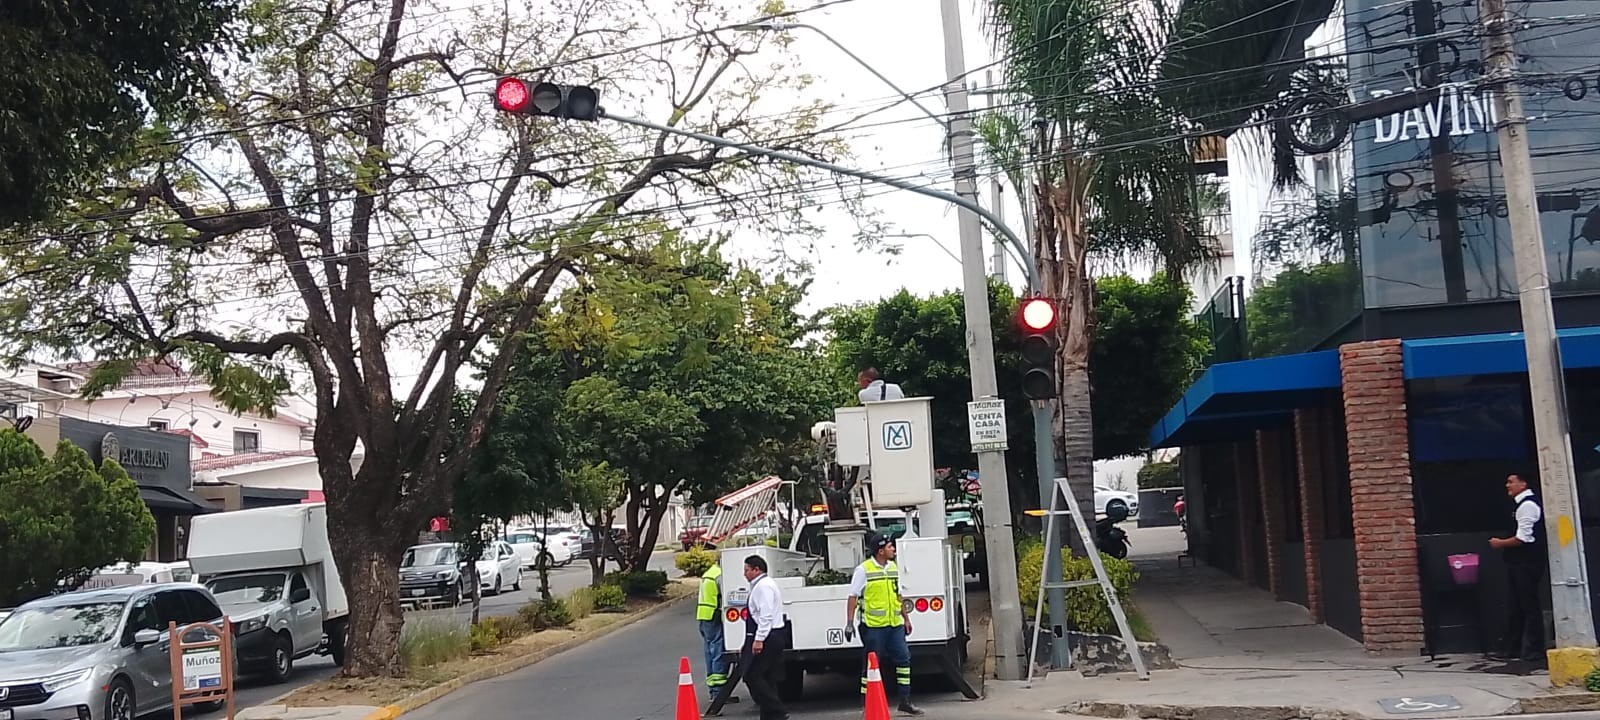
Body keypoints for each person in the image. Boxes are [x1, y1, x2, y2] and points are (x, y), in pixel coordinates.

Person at [845, 533, 924, 716]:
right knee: (872, 664)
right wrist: (849, 622)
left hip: (894, 624)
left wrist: (906, 618)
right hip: (873, 626)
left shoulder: (893, 567)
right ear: (880, 551)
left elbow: (898, 595)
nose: (893, 549)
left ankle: (905, 700)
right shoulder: (864, 570)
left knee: (904, 659)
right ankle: (867, 704)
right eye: (890, 547)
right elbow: (853, 596)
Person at [1488, 473, 1546, 661]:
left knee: (1529, 605)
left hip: (1526, 563)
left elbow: (1524, 538)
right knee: (1516, 606)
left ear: (1523, 483)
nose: (1507, 485)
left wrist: (1500, 543)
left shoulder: (1527, 505)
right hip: (1517, 563)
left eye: (1511, 482)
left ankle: (1535, 649)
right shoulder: (1518, 505)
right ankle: (1512, 648)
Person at [742, 554, 791, 720]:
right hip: (771, 635)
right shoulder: (761, 585)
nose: (744, 574)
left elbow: (766, 615)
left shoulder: (763, 587)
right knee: (768, 677)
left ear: (757, 570)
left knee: (752, 675)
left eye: (747, 570)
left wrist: (759, 639)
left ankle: (777, 710)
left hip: (770, 636)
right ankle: (770, 716)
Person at [696, 558, 737, 704]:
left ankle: (713, 691)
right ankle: (719, 692)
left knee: (709, 652)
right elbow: (726, 596)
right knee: (718, 652)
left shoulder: (710, 573)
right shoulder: (720, 575)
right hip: (713, 616)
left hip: (703, 616)